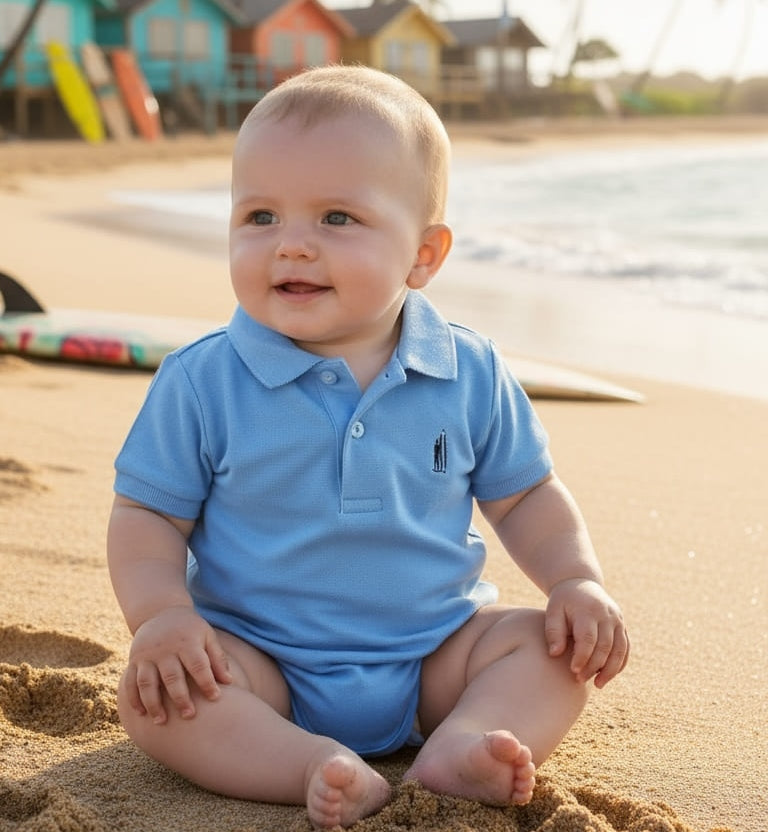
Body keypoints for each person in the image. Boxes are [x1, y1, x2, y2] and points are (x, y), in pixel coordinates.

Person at [107, 65, 629, 830]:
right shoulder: (203, 380)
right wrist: (159, 616)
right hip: (262, 663)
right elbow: (147, 515)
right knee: (155, 700)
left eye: (336, 220)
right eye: (259, 217)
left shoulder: (468, 368)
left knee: (554, 653)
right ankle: (308, 764)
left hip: (434, 654)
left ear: (424, 255)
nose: (291, 247)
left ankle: (461, 744)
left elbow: (526, 497)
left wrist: (577, 580)